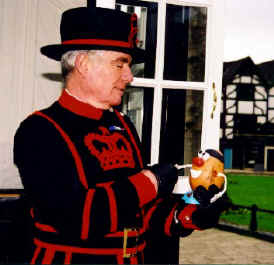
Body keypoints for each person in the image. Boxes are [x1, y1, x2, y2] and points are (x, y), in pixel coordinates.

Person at [13, 6, 229, 264]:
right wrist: (150, 181)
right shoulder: (39, 131)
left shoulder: (123, 124)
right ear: (83, 64)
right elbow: (76, 219)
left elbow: (138, 213)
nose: (129, 76)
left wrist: (186, 215)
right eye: (120, 63)